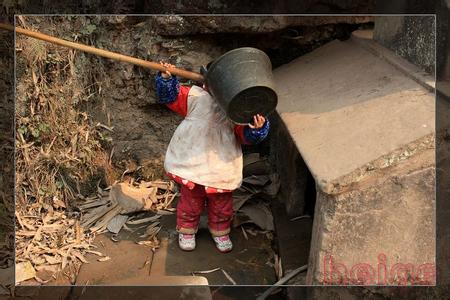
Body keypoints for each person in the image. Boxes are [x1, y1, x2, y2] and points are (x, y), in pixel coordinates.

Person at [154, 62, 270, 252]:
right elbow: (170, 96)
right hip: (194, 159)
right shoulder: (194, 97)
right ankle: (187, 230)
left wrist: (257, 128)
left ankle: (220, 231)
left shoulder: (237, 108)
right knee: (190, 201)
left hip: (220, 163)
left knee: (222, 204)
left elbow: (246, 136)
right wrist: (167, 79)